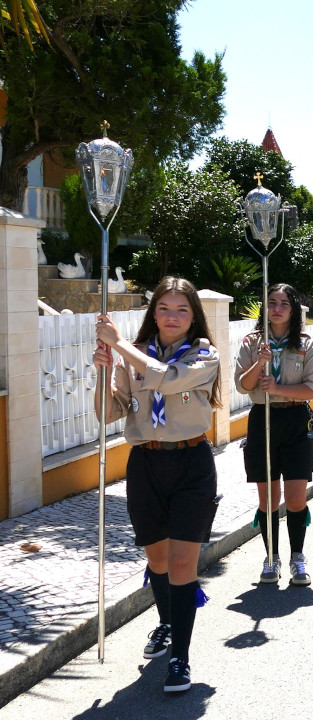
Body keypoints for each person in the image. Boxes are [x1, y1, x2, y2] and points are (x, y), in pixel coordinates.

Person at [92, 276, 221, 694]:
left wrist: (117, 344)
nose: (172, 317)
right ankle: (166, 622)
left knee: (183, 564)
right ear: (154, 313)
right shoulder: (132, 356)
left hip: (192, 465)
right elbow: (108, 414)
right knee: (159, 562)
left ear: (193, 316)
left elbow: (164, 377)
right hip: (146, 464)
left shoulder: (204, 354)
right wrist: (104, 370)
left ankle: (181, 658)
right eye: (164, 308)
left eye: (182, 309)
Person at [235, 283, 313, 586]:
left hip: (297, 421)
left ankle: (297, 557)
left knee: (296, 499)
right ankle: (271, 557)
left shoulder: (306, 344)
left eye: (284, 303)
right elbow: (243, 386)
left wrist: (278, 389)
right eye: (271, 302)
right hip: (263, 421)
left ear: (293, 309)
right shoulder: (251, 343)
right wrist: (260, 363)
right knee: (269, 498)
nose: (277, 308)